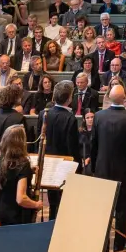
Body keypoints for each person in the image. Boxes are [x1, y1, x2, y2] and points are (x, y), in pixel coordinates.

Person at [91, 85, 126, 250]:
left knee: (103, 211)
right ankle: (119, 248)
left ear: (108, 97)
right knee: (121, 210)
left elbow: (94, 144)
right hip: (123, 170)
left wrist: (94, 167)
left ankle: (103, 246)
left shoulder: (99, 116)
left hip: (102, 169)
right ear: (125, 98)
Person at [42, 81, 81, 219]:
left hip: (47, 162)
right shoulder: (70, 118)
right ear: (69, 98)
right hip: (64, 164)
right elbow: (72, 146)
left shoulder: (44, 113)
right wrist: (78, 167)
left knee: (52, 200)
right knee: (64, 200)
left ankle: (51, 220)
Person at [0, 124, 43, 226]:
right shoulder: (23, 164)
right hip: (17, 217)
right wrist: (36, 204)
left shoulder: (0, 159)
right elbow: (21, 199)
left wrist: (29, 171)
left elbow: (11, 178)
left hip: (3, 212)